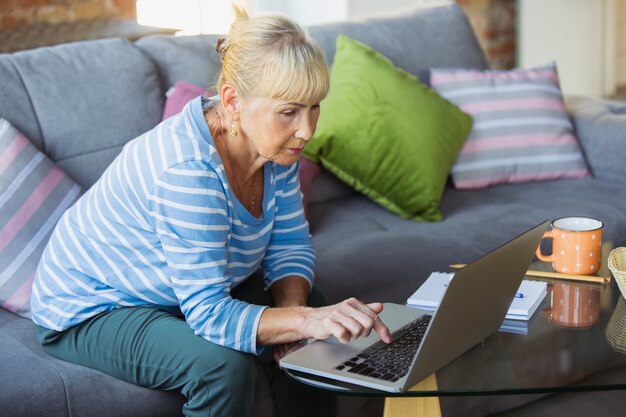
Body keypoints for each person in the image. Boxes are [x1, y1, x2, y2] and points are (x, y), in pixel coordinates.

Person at [30, 6, 391, 417]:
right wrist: (302, 321)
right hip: (95, 306)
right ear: (234, 100)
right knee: (222, 367)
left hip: (181, 288)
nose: (307, 130)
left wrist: (296, 322)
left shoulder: (274, 148)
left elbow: (289, 246)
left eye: (314, 107)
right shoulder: (188, 172)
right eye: (290, 111)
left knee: (316, 319)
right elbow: (209, 315)